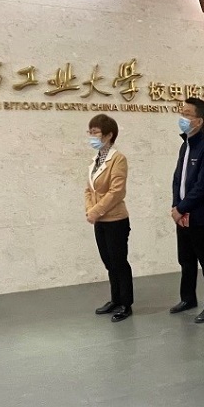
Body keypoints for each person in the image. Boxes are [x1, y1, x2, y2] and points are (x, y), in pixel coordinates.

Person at [170, 97, 204, 323]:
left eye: (187, 114)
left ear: (199, 121)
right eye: (181, 113)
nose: (182, 118)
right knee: (186, 259)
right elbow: (177, 179)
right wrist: (176, 206)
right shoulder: (186, 145)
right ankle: (188, 298)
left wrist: (182, 207)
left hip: (200, 216)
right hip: (182, 215)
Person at [84, 114, 133, 322]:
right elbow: (88, 190)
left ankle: (126, 304)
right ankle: (115, 299)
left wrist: (96, 211)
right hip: (100, 221)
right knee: (108, 262)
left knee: (119, 262)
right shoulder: (95, 160)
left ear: (109, 135)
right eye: (90, 132)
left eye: (95, 132)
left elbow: (117, 192)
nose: (91, 136)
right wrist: (90, 210)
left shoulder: (118, 159)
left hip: (115, 220)